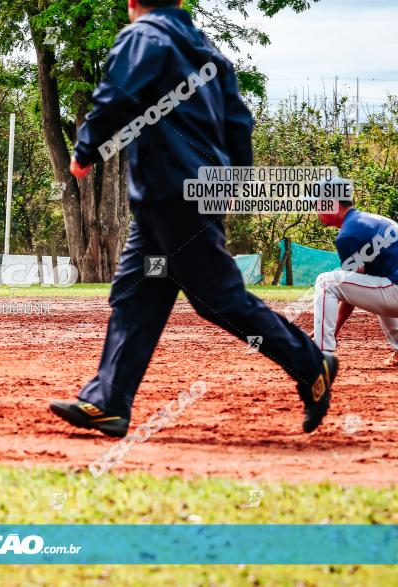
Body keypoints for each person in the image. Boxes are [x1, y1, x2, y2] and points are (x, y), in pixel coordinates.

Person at [48, 0, 337, 437]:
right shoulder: (207, 50)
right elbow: (239, 123)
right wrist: (233, 183)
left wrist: (85, 147)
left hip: (171, 187)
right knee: (137, 294)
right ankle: (108, 400)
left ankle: (309, 361)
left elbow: (117, 96)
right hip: (188, 191)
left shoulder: (144, 36)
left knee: (216, 297)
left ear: (132, 4)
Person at [311, 179, 398, 367]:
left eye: (318, 203)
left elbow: (346, 291)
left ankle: (322, 351)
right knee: (379, 281)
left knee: (326, 282)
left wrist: (333, 330)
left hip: (395, 292)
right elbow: (358, 284)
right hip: (393, 288)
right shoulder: (372, 221)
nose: (316, 210)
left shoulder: (349, 234)